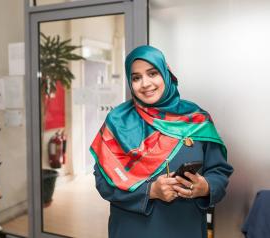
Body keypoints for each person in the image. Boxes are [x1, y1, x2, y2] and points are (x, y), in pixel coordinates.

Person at [89, 45, 233, 238]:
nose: (145, 83)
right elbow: (103, 182)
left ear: (166, 74)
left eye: (152, 73)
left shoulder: (196, 119)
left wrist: (205, 187)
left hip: (185, 228)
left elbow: (219, 172)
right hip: (132, 229)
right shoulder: (117, 121)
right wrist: (150, 191)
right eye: (136, 77)